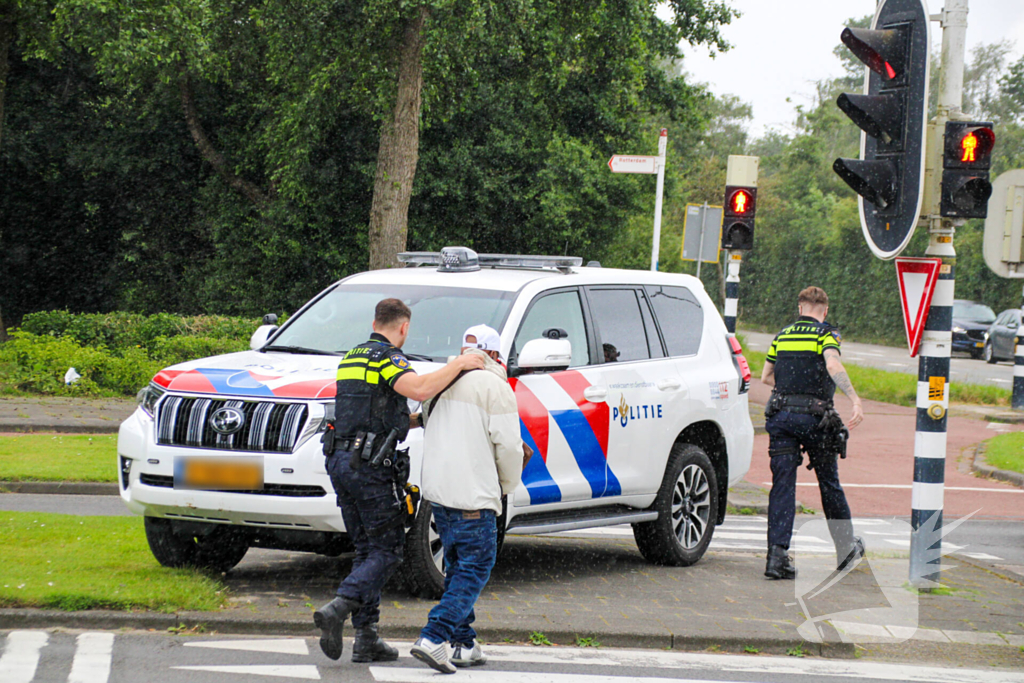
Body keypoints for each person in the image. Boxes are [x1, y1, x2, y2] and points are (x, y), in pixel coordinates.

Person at [314, 298, 485, 662]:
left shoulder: (352, 357)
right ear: (403, 327)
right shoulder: (387, 357)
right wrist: (458, 364)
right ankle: (339, 606)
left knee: (367, 550)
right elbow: (419, 389)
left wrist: (419, 421)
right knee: (388, 551)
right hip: (368, 468)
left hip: (341, 462)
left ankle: (366, 639)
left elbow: (373, 414)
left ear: (374, 322)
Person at [409, 325, 525, 674]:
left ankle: (465, 644)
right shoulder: (494, 386)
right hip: (473, 495)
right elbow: (509, 446)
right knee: (476, 567)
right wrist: (506, 485)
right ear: (494, 355)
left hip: (439, 495)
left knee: (457, 567)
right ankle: (434, 636)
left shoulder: (441, 382)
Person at [760, 287, 866, 580]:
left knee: (782, 485)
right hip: (817, 420)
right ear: (825, 310)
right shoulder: (826, 334)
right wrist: (854, 399)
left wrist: (791, 392)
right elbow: (832, 363)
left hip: (781, 416)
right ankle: (845, 550)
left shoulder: (782, 335)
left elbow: (766, 376)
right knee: (828, 482)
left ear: (800, 308)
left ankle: (776, 557)